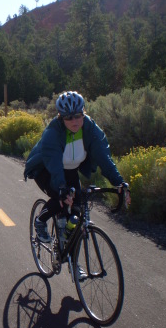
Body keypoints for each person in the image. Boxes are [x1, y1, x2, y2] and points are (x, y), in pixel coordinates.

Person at [24, 91, 131, 243]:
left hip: (70, 170)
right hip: (46, 170)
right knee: (60, 198)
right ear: (61, 117)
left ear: (83, 113)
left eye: (78, 115)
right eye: (69, 117)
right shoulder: (53, 133)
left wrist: (118, 182)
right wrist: (61, 188)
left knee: (77, 208)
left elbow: (103, 157)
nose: (75, 121)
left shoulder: (90, 129)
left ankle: (67, 245)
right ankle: (40, 221)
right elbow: (54, 165)